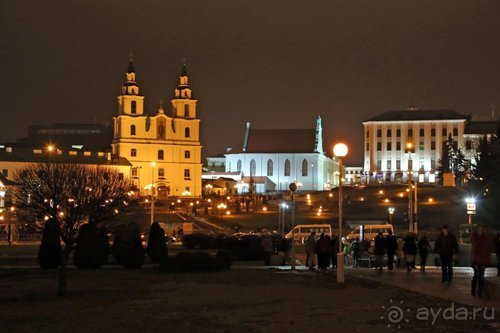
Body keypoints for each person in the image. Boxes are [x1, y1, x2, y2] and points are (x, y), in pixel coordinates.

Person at [471, 225, 493, 297]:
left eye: (481, 229)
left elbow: (488, 250)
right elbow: (473, 250)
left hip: (483, 260)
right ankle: (473, 290)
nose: (480, 231)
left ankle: (479, 291)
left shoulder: (486, 239)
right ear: (476, 230)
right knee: (476, 275)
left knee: (481, 276)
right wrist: (473, 261)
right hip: (476, 260)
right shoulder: (474, 238)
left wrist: (488, 260)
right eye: (478, 229)